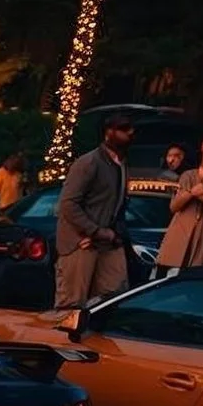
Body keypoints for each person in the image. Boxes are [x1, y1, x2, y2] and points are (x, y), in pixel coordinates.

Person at [54, 112, 133, 306]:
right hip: (82, 241)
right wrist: (93, 231)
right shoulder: (89, 162)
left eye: (131, 129)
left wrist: (115, 233)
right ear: (109, 132)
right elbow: (68, 204)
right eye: (123, 129)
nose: (130, 133)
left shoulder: (121, 164)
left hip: (108, 240)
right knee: (72, 302)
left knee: (114, 297)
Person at [155, 149, 203, 275]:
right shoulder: (188, 175)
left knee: (194, 276)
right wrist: (191, 193)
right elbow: (174, 206)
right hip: (178, 237)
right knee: (164, 277)